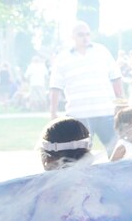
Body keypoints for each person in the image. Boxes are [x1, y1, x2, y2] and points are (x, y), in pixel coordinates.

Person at [49, 21, 123, 156]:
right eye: (81, 35)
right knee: (79, 156)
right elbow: (55, 87)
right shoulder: (62, 58)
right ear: (72, 37)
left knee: (116, 152)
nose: (85, 38)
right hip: (78, 115)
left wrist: (121, 103)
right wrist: (53, 112)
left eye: (88, 34)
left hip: (106, 112)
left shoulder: (102, 51)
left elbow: (116, 78)